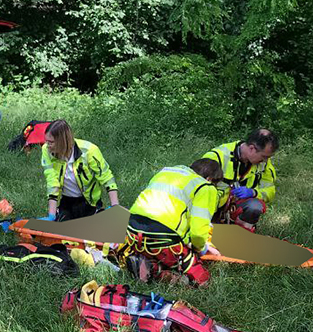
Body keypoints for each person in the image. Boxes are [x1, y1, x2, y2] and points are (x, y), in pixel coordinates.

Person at [115, 159, 223, 287]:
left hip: (132, 231)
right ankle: (158, 272)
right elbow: (198, 233)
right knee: (201, 277)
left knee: (154, 251)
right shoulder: (205, 187)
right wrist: (202, 249)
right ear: (210, 178)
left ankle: (147, 264)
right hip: (162, 239)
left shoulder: (166, 172)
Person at [40, 119, 119, 221]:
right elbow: (52, 182)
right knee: (62, 232)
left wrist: (115, 206)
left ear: (62, 141)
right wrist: (51, 215)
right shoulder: (46, 150)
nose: (47, 145)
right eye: (46, 141)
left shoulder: (90, 151)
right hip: (66, 201)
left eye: (51, 142)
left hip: (89, 202)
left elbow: (107, 178)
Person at [202, 129, 278, 232]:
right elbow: (197, 188)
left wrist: (253, 192)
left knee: (254, 207)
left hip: (236, 207)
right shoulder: (217, 156)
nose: (265, 160)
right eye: (264, 156)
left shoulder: (264, 164)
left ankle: (241, 235)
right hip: (210, 208)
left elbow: (270, 190)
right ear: (252, 148)